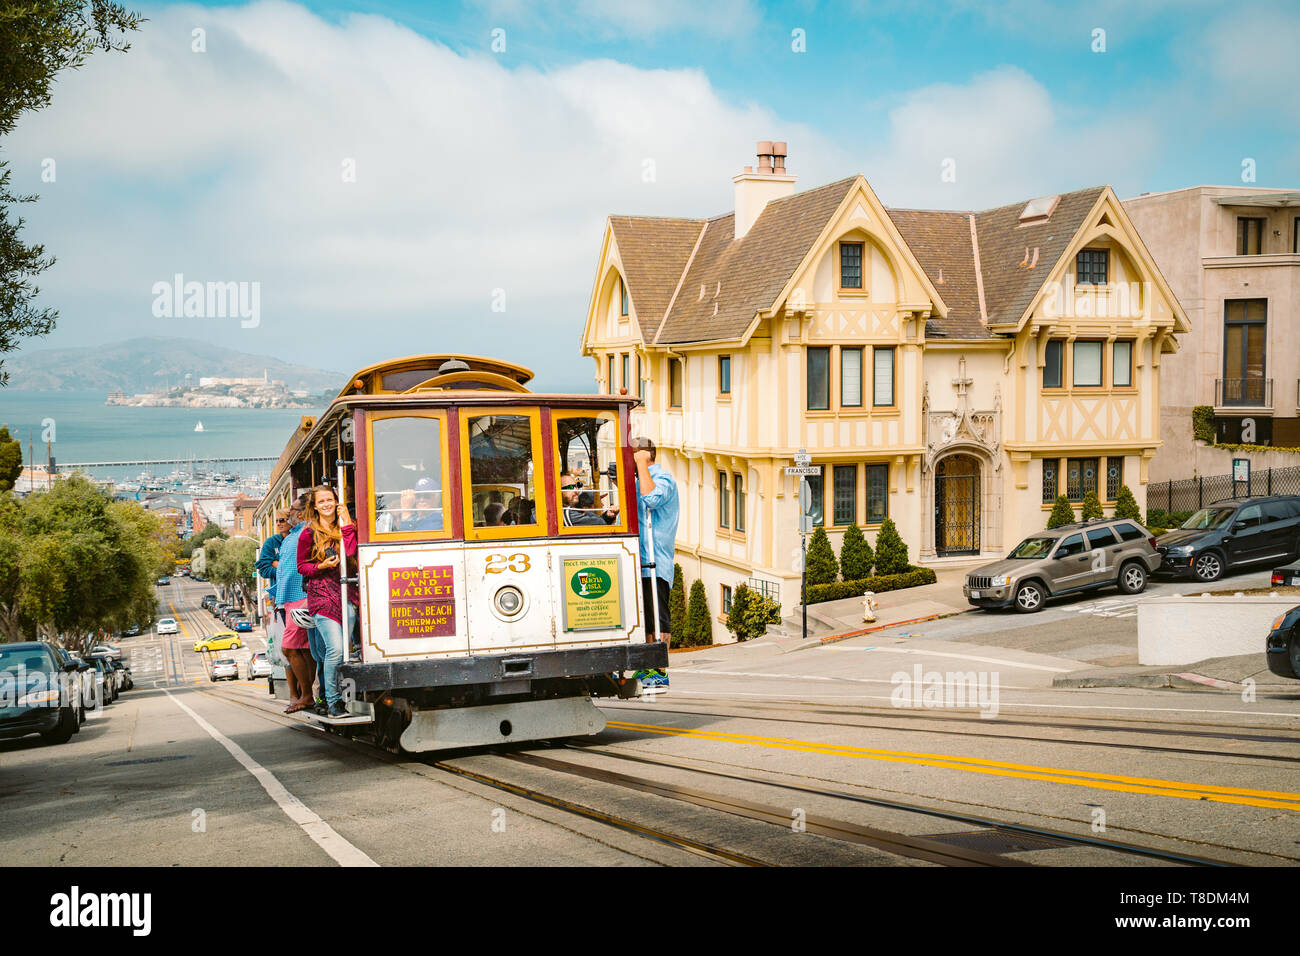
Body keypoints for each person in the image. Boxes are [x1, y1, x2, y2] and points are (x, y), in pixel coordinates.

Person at [297, 484, 358, 719]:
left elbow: (352, 552)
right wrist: (321, 566)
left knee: (344, 652)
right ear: (315, 506)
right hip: (321, 597)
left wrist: (347, 521)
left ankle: (339, 698)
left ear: (336, 501)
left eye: (329, 500)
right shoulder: (308, 533)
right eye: (321, 501)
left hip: (346, 594)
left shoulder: (344, 526)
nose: (326, 504)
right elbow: (302, 566)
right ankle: (333, 703)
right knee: (335, 649)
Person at [631, 438, 678, 690]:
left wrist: (641, 464)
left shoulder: (663, 479)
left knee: (659, 617)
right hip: (641, 561)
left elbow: (652, 500)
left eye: (634, 455)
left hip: (656, 562)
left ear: (645, 456)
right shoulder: (641, 481)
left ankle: (660, 669)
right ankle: (648, 665)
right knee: (647, 617)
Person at [274, 496, 319, 714]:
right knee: (303, 648)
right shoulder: (291, 535)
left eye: (291, 510)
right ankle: (307, 695)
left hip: (301, 596)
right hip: (289, 599)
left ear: (301, 513)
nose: (287, 515)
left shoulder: (305, 531)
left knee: (289, 647)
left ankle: (307, 695)